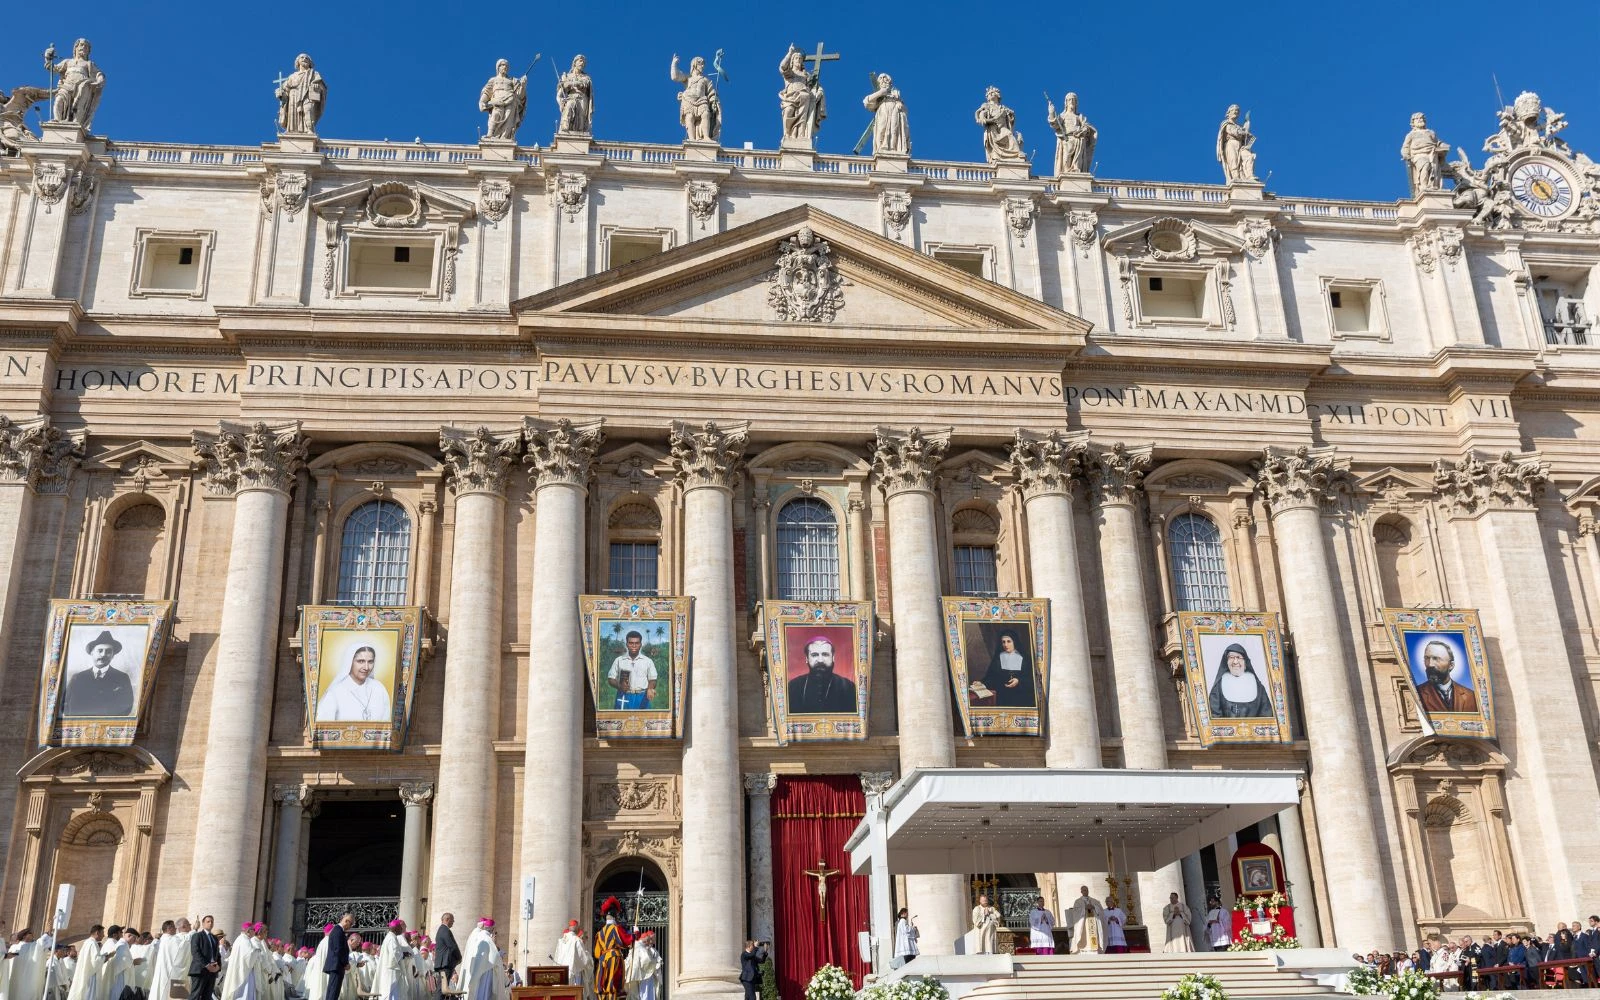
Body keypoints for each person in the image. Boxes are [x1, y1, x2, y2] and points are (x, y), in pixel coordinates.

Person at [62, 631, 136, 717]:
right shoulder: (78, 677)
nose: (103, 655)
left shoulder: (122, 678)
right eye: (100, 651)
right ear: (92, 653)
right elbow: (66, 706)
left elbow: (126, 706)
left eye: (108, 652)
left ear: (113, 656)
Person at [316, 647, 392, 723]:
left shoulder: (379, 688)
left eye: (370, 662)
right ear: (350, 662)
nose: (366, 667)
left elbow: (386, 724)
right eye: (361, 661)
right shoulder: (334, 692)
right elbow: (324, 727)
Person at [786, 637, 857, 714]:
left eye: (825, 654)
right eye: (814, 655)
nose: (820, 660)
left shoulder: (848, 687)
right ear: (807, 659)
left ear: (833, 658)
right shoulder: (793, 686)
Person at [44, 39, 105, 129]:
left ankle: (76, 124)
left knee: (79, 107)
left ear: (88, 51)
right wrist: (47, 58)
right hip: (67, 84)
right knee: (58, 101)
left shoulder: (89, 64)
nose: (83, 47)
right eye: (81, 45)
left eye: (86, 47)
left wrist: (99, 80)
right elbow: (53, 68)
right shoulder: (68, 62)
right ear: (75, 48)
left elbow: (99, 74)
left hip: (83, 86)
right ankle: (57, 121)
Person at [1208, 643, 1274, 719]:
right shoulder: (1218, 686)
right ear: (1226, 661)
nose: (1235, 662)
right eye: (1231, 657)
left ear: (1245, 662)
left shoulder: (1258, 686)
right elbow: (1214, 714)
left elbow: (1266, 714)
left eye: (1239, 657)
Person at [1414, 640, 1478, 713]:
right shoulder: (1416, 693)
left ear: (1451, 665)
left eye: (1436, 658)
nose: (1430, 664)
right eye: (1427, 658)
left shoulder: (1470, 696)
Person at [669, 56, 720, 142]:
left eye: (703, 64)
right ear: (695, 64)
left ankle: (706, 137)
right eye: (701, 64)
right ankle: (692, 139)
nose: (703, 66)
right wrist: (674, 63)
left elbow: (711, 93)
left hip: (702, 100)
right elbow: (675, 76)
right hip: (688, 99)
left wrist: (714, 101)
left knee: (706, 114)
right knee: (690, 117)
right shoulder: (688, 78)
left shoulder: (705, 80)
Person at [978, 632, 1034, 707]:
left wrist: (1018, 681)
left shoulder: (1024, 658)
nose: (1005, 645)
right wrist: (981, 682)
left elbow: (1031, 678)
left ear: (1014, 642)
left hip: (1021, 696)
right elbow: (991, 676)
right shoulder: (998, 657)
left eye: (1009, 641)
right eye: (1003, 642)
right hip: (1002, 696)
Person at [1046, 93, 1096, 175]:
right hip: (1067, 139)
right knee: (1066, 157)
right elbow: (1055, 124)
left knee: (1078, 161)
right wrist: (1051, 112)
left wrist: (1084, 130)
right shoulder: (1063, 116)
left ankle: (1076, 171)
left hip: (1078, 139)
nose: (1071, 101)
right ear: (1066, 102)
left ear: (1076, 103)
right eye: (1069, 99)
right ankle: (1066, 172)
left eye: (1073, 100)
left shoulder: (1079, 116)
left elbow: (1087, 127)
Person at [591, 900, 633, 1000]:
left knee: (602, 984)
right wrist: (635, 934)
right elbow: (625, 940)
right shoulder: (615, 928)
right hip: (614, 958)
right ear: (615, 917)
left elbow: (597, 953)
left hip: (602, 959)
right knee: (614, 984)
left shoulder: (600, 932)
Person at [607, 632, 658, 711]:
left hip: (642, 697)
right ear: (627, 644)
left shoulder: (648, 661)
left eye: (637, 643)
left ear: (640, 644)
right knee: (621, 721)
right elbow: (610, 679)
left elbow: (653, 679)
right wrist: (619, 685)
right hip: (623, 696)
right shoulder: (619, 660)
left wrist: (650, 689)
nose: (634, 646)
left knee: (643, 721)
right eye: (631, 643)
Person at [1401, 113, 1449, 196]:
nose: (1420, 120)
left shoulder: (1430, 132)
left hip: (1432, 154)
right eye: (1417, 119)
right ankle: (1423, 187)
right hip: (1418, 155)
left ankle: (1433, 187)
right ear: (1413, 123)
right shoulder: (1411, 135)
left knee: (1433, 170)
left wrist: (1443, 146)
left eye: (1422, 118)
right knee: (1425, 165)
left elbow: (1437, 142)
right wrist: (1406, 155)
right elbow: (1405, 147)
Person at [276, 55, 326, 135]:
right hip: (293, 96)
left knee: (308, 111)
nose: (304, 59)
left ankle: (309, 130)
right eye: (302, 57)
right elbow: (285, 89)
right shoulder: (292, 76)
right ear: (297, 61)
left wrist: (317, 86)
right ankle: (292, 131)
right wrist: (281, 93)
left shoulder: (314, 74)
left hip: (308, 95)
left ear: (310, 63)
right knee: (293, 114)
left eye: (307, 58)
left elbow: (321, 86)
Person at [479, 61, 527, 142]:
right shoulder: (493, 80)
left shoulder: (512, 80)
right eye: (503, 65)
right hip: (497, 101)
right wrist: (482, 101)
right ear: (498, 67)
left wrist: (522, 86)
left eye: (506, 66)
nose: (505, 67)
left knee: (509, 119)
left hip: (510, 101)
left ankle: (505, 137)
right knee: (496, 115)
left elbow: (520, 96)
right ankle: (490, 134)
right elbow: (487, 92)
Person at [974, 87, 1024, 164]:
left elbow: (1010, 120)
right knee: (998, 139)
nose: (990, 95)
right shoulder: (986, 105)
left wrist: (1011, 115)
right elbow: (980, 115)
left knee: (1009, 134)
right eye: (988, 94)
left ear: (997, 95)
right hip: (993, 128)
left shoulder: (1003, 108)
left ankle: (1017, 154)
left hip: (1002, 128)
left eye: (992, 93)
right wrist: (987, 120)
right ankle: (996, 156)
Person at [862, 75, 908, 157]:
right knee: (882, 128)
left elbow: (905, 110)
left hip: (895, 110)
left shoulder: (895, 94)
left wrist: (900, 104)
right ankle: (881, 148)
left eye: (886, 79)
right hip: (883, 109)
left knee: (894, 129)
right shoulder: (879, 94)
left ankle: (893, 148)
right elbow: (866, 102)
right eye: (881, 79)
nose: (884, 81)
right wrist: (881, 93)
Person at [1216, 105, 1257, 183]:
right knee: (1233, 161)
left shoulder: (1239, 126)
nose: (1236, 112)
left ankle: (1249, 176)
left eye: (1237, 111)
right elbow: (1233, 132)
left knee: (1248, 156)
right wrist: (1244, 132)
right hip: (1231, 144)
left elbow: (1241, 135)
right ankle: (1236, 178)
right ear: (1229, 112)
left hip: (1241, 146)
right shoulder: (1226, 123)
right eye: (1234, 110)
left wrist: (1246, 135)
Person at [553, 922, 591, 999]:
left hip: (561, 973)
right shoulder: (577, 940)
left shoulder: (560, 941)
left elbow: (556, 957)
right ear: (576, 927)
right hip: (574, 973)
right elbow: (584, 959)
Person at [556, 55, 593, 135]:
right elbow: (560, 93)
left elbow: (585, 84)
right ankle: (564, 131)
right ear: (575, 63)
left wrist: (572, 83)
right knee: (568, 108)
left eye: (583, 62)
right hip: (571, 97)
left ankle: (580, 136)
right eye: (580, 61)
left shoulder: (586, 77)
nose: (582, 63)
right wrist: (561, 102)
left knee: (581, 121)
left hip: (582, 99)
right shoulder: (567, 76)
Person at [67, 926, 107, 1000]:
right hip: (90, 977)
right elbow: (95, 961)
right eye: (102, 933)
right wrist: (107, 957)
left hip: (87, 974)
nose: (104, 935)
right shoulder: (93, 944)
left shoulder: (87, 942)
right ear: (97, 933)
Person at [374, 921, 411, 1000]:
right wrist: (404, 954)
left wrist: (402, 953)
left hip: (390, 970)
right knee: (391, 993)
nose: (402, 930)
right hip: (391, 971)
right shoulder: (391, 938)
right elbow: (394, 955)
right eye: (400, 928)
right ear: (396, 928)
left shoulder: (391, 937)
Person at [320, 915, 353, 1000]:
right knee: (333, 992)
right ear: (346, 921)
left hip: (336, 965)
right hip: (336, 966)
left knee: (333, 991)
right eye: (351, 924)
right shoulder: (338, 931)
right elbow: (338, 949)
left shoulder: (338, 930)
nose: (351, 927)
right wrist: (345, 963)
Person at [190, 918, 222, 1000]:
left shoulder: (214, 938)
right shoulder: (197, 936)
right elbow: (195, 952)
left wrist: (218, 966)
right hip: (200, 970)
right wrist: (207, 965)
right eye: (208, 921)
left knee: (207, 996)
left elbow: (217, 954)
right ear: (203, 924)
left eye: (212, 921)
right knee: (195, 996)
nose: (210, 923)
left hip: (212, 972)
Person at [622, 931, 660, 1000]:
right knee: (645, 993)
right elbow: (646, 961)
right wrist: (654, 962)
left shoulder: (634, 947)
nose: (649, 942)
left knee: (635, 993)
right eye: (648, 940)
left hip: (634, 974)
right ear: (646, 940)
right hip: (644, 975)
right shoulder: (642, 948)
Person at [1067, 887, 1104, 954]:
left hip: (1093, 923)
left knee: (1093, 934)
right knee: (1084, 934)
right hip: (1084, 923)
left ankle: (1095, 948)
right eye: (1084, 890)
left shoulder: (1094, 901)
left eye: (1087, 890)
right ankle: (1084, 947)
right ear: (1081, 892)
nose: (1086, 891)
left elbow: (1101, 910)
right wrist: (1084, 908)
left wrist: (1094, 907)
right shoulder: (1078, 901)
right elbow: (1075, 912)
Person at [431, 915, 459, 992]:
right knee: (441, 989)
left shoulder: (442, 929)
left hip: (444, 964)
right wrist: (459, 957)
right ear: (447, 919)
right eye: (452, 920)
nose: (453, 922)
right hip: (445, 964)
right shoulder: (445, 930)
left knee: (442, 988)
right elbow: (452, 946)